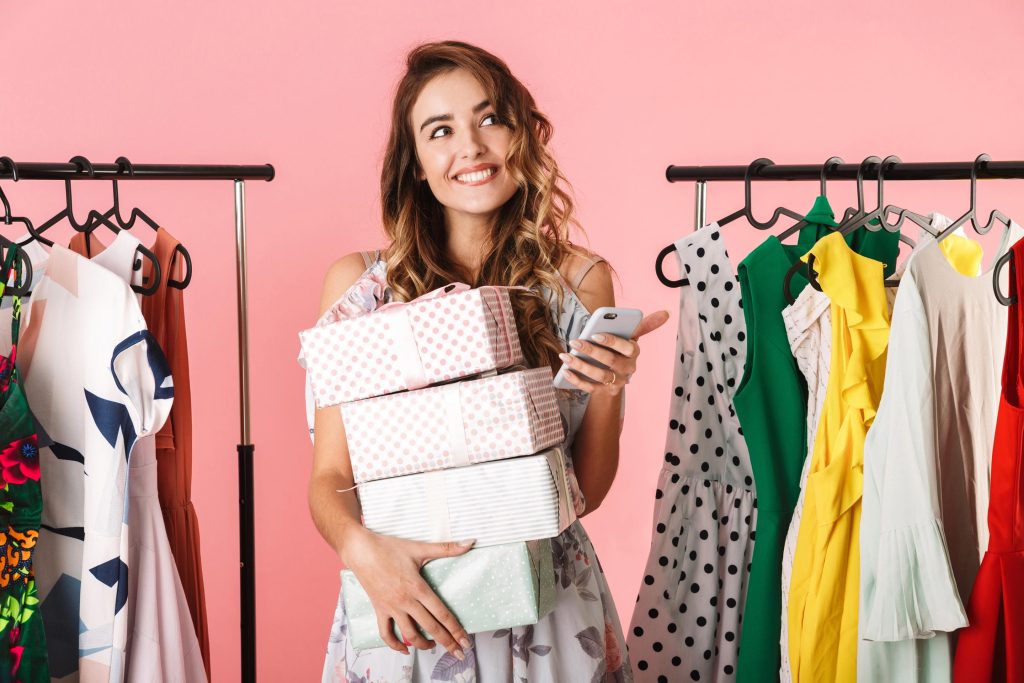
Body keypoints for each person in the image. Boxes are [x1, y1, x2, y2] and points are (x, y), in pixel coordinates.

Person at [307, 40, 668, 682]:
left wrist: (610, 389)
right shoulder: (359, 288)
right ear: (415, 163)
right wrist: (364, 555)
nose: (470, 147)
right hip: (404, 596)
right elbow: (329, 475)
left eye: (489, 118)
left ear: (521, 135)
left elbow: (583, 494)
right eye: (440, 130)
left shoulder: (578, 281)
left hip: (547, 609)